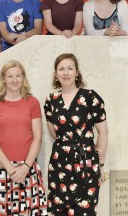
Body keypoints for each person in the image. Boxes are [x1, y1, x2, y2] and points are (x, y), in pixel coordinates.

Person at [44, 53, 108, 216]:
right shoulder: (50, 100)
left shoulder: (90, 97)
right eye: (61, 69)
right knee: (60, 211)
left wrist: (100, 164)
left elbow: (103, 132)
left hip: (86, 162)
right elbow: (54, 133)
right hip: (60, 163)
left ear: (77, 73)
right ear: (56, 74)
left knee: (84, 211)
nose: (66, 73)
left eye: (70, 68)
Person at [0, 60, 48, 215]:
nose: (14, 80)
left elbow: (37, 137)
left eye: (18, 76)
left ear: (23, 78)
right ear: (3, 79)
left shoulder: (32, 102)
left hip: (27, 168)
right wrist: (11, 169)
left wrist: (25, 167)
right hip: (3, 169)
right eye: (10, 76)